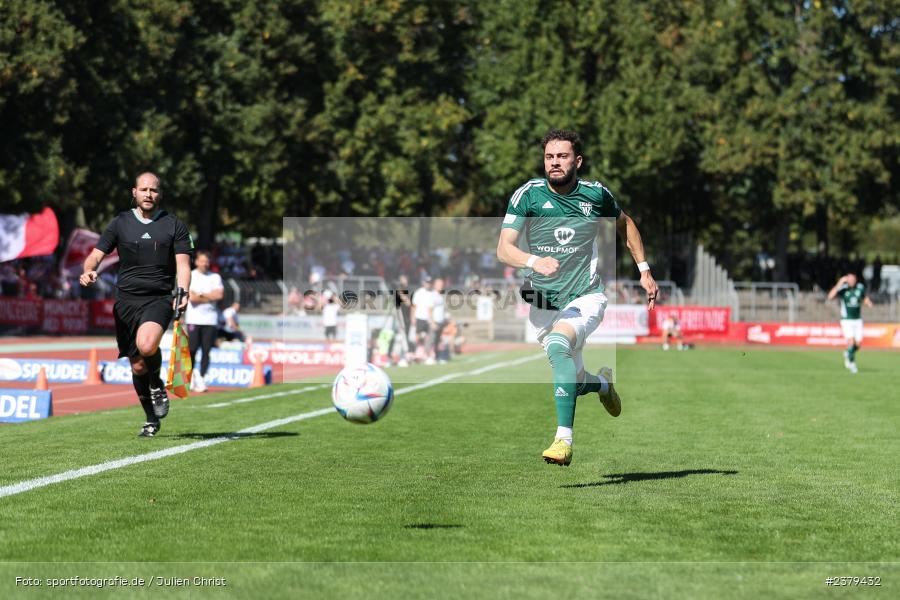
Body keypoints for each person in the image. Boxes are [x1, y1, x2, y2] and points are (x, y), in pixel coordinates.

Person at [497, 129, 658, 466]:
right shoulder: (527, 196)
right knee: (574, 378)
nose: (555, 162)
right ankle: (602, 385)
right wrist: (533, 261)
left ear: (577, 161)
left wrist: (644, 270)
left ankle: (563, 441)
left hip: (586, 296)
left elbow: (625, 224)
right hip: (543, 304)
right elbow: (504, 249)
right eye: (549, 157)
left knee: (559, 347)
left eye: (562, 156)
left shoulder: (596, 195)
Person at [80, 172, 192, 437]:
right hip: (126, 302)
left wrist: (184, 291)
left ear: (160, 194)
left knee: (147, 345)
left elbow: (183, 265)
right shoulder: (120, 222)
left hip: (159, 298)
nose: (148, 194)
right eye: (144, 189)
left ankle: (156, 384)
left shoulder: (174, 225)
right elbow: (95, 256)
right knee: (138, 365)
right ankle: (151, 419)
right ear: (134, 192)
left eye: (153, 190)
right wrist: (88, 271)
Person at [186, 250, 224, 393]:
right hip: (194, 319)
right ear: (196, 262)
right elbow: (192, 298)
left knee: (206, 350)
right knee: (192, 350)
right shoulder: (191, 275)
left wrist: (201, 295)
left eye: (207, 261)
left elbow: (219, 295)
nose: (205, 263)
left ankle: (201, 377)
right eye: (202, 261)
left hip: (210, 320)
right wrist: (209, 296)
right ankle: (190, 377)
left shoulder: (215, 277)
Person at [827, 273, 873, 374]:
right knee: (851, 342)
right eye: (850, 279)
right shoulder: (843, 289)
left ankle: (848, 352)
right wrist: (839, 282)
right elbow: (830, 296)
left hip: (858, 320)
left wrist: (868, 302)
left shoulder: (860, 288)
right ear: (847, 280)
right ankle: (852, 364)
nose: (852, 281)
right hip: (847, 320)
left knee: (858, 344)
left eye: (853, 279)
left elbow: (864, 298)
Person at [411, 277, 436, 364]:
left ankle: (426, 354)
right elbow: (414, 306)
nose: (428, 284)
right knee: (418, 336)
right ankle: (416, 351)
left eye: (429, 283)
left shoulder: (432, 293)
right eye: (427, 282)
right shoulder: (418, 293)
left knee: (428, 337)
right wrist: (413, 317)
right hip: (420, 317)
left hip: (428, 319)